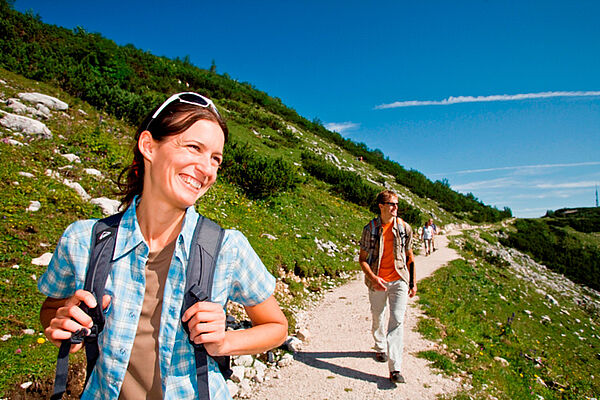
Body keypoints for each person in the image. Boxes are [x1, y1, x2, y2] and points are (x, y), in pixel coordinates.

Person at [38, 92, 288, 399]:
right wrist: (60, 319)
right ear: (148, 146)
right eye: (194, 147)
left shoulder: (227, 247)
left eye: (216, 159)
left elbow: (277, 327)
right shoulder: (82, 241)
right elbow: (51, 308)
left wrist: (225, 342)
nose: (207, 169)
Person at [358, 190, 416, 384]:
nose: (395, 208)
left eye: (397, 204)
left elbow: (410, 257)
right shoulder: (370, 229)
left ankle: (395, 368)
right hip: (378, 280)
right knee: (378, 315)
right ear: (381, 206)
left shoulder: (404, 228)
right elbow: (362, 260)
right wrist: (374, 278)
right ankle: (380, 346)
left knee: (397, 320)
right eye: (391, 204)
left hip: (399, 279)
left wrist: (412, 282)